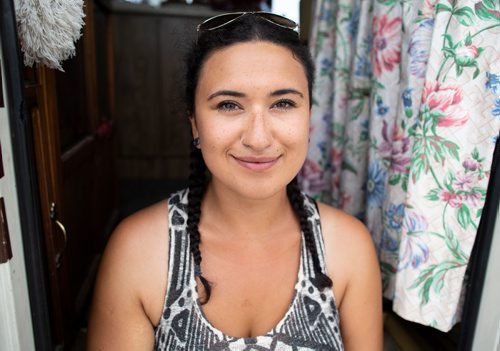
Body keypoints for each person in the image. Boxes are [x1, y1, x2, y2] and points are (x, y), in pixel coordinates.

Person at [87, 12, 382, 350]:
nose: (258, 138)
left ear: (309, 118)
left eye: (283, 103)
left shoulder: (349, 249)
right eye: (229, 105)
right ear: (195, 124)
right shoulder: (138, 253)